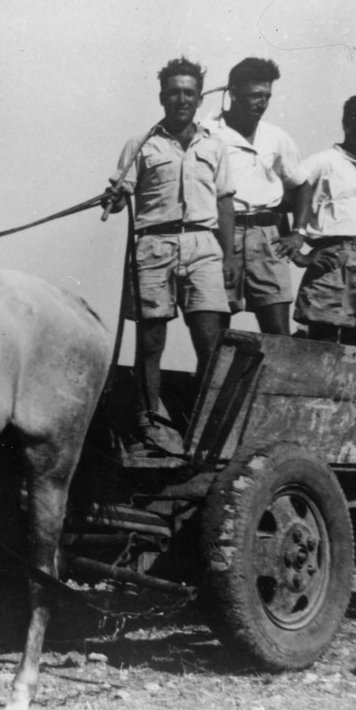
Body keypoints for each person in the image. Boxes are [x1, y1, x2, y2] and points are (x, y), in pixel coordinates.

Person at [102, 57, 235, 455]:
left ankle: (207, 426)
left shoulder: (214, 143)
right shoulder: (142, 143)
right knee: (151, 341)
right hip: (154, 247)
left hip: (203, 247)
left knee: (211, 340)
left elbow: (225, 201)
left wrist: (229, 256)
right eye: (174, 92)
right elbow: (121, 193)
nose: (181, 99)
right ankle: (149, 424)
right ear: (162, 96)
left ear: (198, 98)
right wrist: (115, 198)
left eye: (189, 93)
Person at [280, 95, 356, 346]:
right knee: (322, 343)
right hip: (333, 259)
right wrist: (299, 254)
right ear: (347, 125)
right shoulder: (322, 162)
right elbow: (280, 201)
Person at [201, 57, 306, 335]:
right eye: (254, 96)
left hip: (267, 236)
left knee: (277, 334)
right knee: (216, 332)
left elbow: (301, 184)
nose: (261, 103)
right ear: (233, 93)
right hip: (223, 234)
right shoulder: (207, 133)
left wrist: (299, 233)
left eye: (267, 96)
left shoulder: (276, 137)